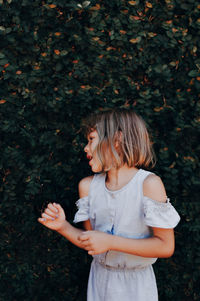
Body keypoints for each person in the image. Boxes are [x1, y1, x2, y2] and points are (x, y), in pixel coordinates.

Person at [38, 108, 180, 301]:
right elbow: (91, 241)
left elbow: (165, 246)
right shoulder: (87, 187)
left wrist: (111, 242)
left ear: (117, 140)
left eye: (91, 139)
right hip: (99, 280)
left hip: (136, 287)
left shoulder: (149, 184)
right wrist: (62, 226)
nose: (86, 148)